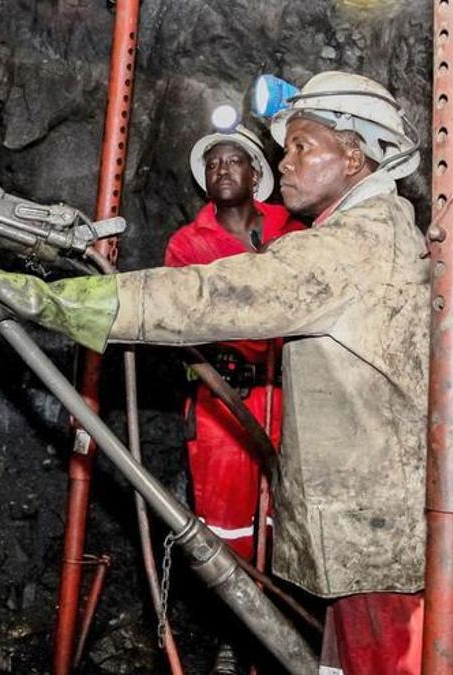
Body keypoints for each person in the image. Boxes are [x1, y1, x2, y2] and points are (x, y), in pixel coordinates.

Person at [0, 70, 453, 674]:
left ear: (353, 156)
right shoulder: (386, 233)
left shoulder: (350, 248)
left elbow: (205, 296)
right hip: (389, 524)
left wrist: (50, 300)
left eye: (302, 146)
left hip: (385, 533)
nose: (285, 161)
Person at [167, 117, 304, 560]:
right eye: (213, 164)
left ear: (256, 174)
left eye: (234, 161)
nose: (222, 169)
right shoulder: (187, 244)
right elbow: (191, 321)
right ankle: (234, 616)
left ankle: (284, 608)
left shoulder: (292, 232)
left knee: (289, 516)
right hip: (221, 401)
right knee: (227, 526)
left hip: (290, 399)